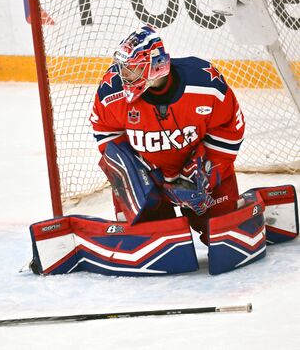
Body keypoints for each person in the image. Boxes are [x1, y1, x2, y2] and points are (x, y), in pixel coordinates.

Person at [89, 25, 245, 245]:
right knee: (150, 244)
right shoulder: (111, 91)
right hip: (149, 181)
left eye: (131, 69)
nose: (122, 76)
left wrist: (207, 172)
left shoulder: (205, 84)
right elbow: (105, 131)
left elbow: (230, 127)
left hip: (198, 176)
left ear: (156, 66)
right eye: (122, 67)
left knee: (226, 240)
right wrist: (135, 176)